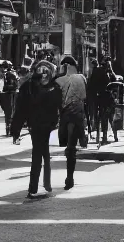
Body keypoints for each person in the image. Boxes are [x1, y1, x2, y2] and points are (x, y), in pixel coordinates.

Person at [11, 66, 62, 198]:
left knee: (39, 153)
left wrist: (16, 129)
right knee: (41, 152)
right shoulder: (53, 87)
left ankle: (37, 186)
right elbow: (58, 105)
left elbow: (20, 110)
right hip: (43, 125)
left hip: (36, 125)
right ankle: (40, 185)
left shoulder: (27, 87)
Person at [54, 57, 87, 190]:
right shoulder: (82, 78)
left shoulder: (58, 80)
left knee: (69, 147)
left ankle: (69, 177)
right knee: (72, 147)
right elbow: (85, 97)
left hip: (66, 115)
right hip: (78, 114)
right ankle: (70, 176)